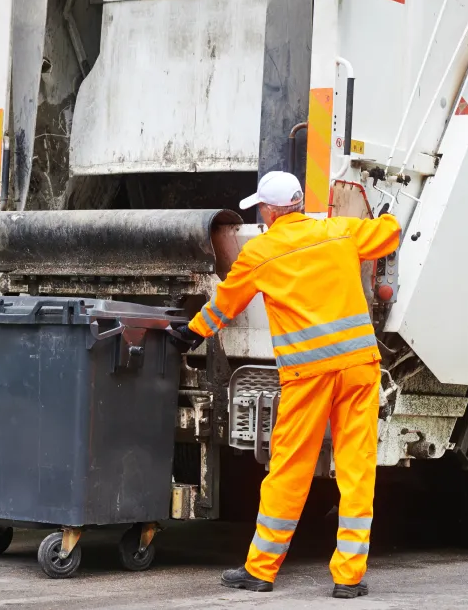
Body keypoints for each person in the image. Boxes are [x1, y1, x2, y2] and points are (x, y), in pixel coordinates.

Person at [172, 171, 401, 599]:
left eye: (261, 207)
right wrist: (387, 214)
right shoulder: (339, 231)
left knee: (290, 470)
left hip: (308, 377)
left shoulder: (260, 252)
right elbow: (388, 235)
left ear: (271, 211)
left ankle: (261, 570)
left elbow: (225, 305)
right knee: (356, 469)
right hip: (358, 369)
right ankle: (348, 578)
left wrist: (190, 333)